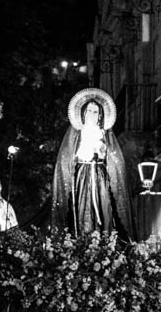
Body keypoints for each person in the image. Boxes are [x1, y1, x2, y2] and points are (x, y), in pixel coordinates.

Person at [50, 87, 133, 237]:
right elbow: (66, 157)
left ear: (100, 116)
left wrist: (103, 151)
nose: (91, 115)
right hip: (82, 175)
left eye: (95, 112)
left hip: (100, 175)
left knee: (104, 205)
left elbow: (114, 159)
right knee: (83, 206)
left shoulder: (104, 135)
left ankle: (103, 237)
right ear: (83, 113)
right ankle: (83, 236)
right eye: (89, 111)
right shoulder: (76, 135)